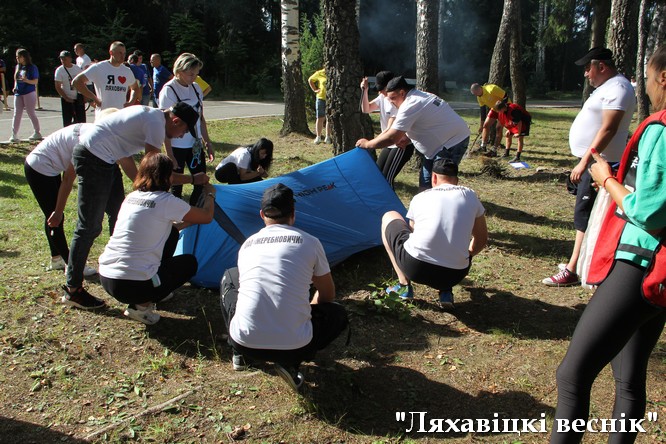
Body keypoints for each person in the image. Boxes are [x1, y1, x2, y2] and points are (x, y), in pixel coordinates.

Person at [550, 45, 666, 444]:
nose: (645, 86)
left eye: (648, 77)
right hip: (660, 272)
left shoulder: (661, 129)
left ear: (663, 77)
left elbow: (648, 211)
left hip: (641, 262)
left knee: (572, 375)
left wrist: (607, 179)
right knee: (629, 379)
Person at [62, 102, 207, 311]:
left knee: (116, 213)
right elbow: (156, 174)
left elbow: (142, 176)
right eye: (184, 131)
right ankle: (73, 289)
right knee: (89, 227)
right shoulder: (155, 124)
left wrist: (144, 191)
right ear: (176, 121)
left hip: (106, 158)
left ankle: (132, 270)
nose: (181, 135)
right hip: (93, 158)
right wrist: (193, 179)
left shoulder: (151, 118)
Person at [221, 183, 349, 391]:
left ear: (262, 215)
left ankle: (240, 356)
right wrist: (307, 310)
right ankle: (290, 362)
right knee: (337, 314)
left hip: (244, 342)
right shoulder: (310, 242)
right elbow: (328, 294)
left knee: (230, 277)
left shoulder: (247, 245)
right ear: (293, 214)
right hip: (296, 346)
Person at [542, 47, 636, 287]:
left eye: (587, 68)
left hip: (601, 164)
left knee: (584, 215)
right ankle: (582, 263)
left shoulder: (619, 88)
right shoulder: (607, 87)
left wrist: (585, 161)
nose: (585, 74)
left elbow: (609, 128)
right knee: (585, 213)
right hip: (593, 161)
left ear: (601, 66)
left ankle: (573, 269)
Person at [98, 153, 216, 325]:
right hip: (132, 284)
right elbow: (207, 216)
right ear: (167, 177)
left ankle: (153, 288)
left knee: (172, 234)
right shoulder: (166, 201)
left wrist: (188, 222)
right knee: (189, 263)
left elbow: (161, 228)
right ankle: (141, 307)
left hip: (107, 276)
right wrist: (210, 194)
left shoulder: (132, 197)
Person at [380, 159, 487, 310]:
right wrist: (467, 255)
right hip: (455, 275)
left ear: (434, 178)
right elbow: (481, 239)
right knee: (450, 245)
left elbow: (413, 233)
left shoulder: (420, 197)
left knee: (389, 216)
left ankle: (404, 286)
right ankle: (445, 290)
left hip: (415, 268)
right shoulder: (470, 195)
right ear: (456, 180)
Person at [24, 120, 117, 277]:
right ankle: (71, 265)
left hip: (49, 167)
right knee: (55, 216)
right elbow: (68, 180)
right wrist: (58, 211)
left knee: (52, 214)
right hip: (39, 168)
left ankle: (56, 258)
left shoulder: (96, 133)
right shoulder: (86, 142)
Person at [356, 76, 470, 191]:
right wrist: (407, 138)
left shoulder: (411, 103)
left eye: (393, 98)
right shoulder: (417, 96)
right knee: (425, 184)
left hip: (452, 143)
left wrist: (367, 144)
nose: (390, 102)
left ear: (402, 93)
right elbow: (426, 122)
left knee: (442, 185)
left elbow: (392, 138)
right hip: (436, 147)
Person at [159, 53, 214, 205]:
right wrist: (170, 154)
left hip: (195, 144)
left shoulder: (196, 88)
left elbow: (200, 117)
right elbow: (164, 124)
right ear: (179, 71)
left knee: (201, 181)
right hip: (177, 145)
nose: (194, 78)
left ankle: (194, 210)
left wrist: (207, 142)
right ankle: (176, 214)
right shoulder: (169, 90)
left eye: (196, 74)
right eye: (191, 74)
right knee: (176, 185)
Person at [360, 71, 414, 188]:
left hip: (400, 144)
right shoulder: (382, 97)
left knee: (387, 180)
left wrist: (370, 143)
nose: (379, 92)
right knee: (378, 176)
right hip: (388, 143)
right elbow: (366, 109)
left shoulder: (395, 101)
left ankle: (390, 200)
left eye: (382, 89)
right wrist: (365, 90)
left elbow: (390, 129)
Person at [72, 41, 139, 120]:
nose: (122, 56)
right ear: (111, 53)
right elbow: (76, 82)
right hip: (103, 116)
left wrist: (130, 102)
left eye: (124, 53)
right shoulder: (99, 67)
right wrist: (94, 98)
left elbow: (135, 87)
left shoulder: (127, 71)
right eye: (120, 53)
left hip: (120, 116)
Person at [10, 48, 42, 142]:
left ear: (24, 57)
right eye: (16, 57)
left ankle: (37, 132)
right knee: (17, 113)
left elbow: (35, 81)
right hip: (18, 93)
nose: (17, 58)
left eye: (19, 57)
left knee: (30, 112)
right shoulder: (18, 67)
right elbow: (16, 79)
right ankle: (14, 134)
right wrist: (15, 87)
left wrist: (26, 80)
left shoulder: (32, 67)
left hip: (29, 92)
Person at [470, 82, 510, 154]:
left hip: (505, 109)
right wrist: (481, 125)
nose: (475, 95)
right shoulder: (479, 97)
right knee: (485, 125)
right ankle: (483, 147)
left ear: (479, 89)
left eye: (475, 93)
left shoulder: (492, 89)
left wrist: (501, 108)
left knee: (498, 128)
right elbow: (482, 111)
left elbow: (506, 96)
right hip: (494, 109)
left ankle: (494, 150)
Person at [54, 50, 85, 126]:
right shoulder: (59, 70)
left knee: (81, 121)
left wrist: (85, 96)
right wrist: (66, 98)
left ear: (70, 59)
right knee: (67, 122)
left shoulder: (77, 68)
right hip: (67, 99)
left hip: (78, 97)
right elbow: (58, 86)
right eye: (61, 59)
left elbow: (83, 82)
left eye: (64, 59)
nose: (63, 61)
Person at [308, 67, 332, 144]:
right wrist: (315, 89)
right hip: (321, 98)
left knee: (329, 118)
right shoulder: (320, 73)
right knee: (320, 117)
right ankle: (318, 137)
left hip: (330, 98)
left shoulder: (333, 72)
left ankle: (328, 137)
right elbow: (310, 80)